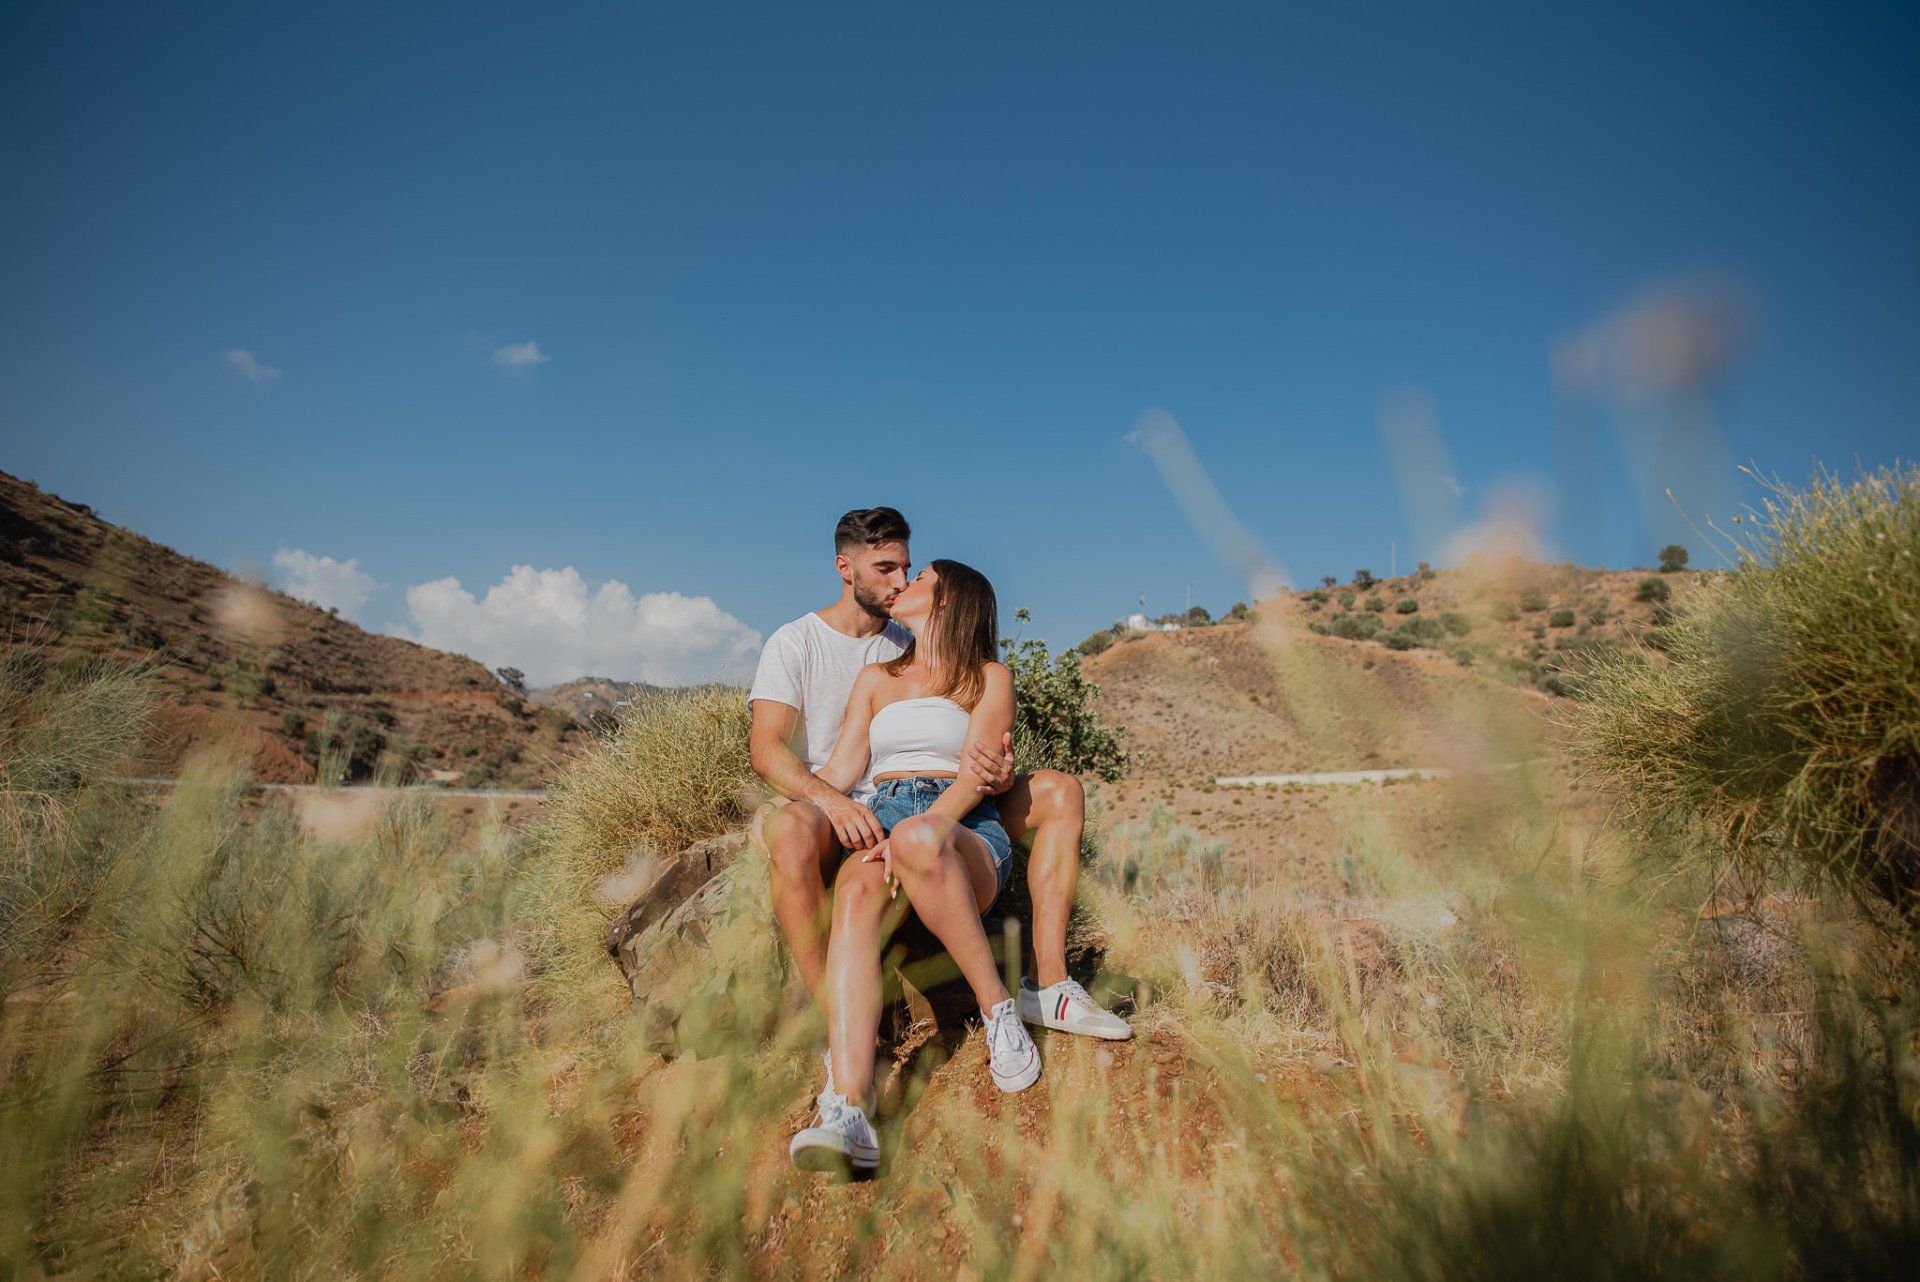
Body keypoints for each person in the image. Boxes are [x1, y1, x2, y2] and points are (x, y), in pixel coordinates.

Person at [788, 559, 1039, 1170]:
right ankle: (851, 1107)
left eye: (919, 577)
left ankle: (999, 1012)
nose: (902, 583)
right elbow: (843, 773)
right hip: (887, 809)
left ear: (949, 601)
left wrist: (919, 832)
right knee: (852, 898)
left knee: (920, 839)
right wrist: (809, 802)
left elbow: (979, 775)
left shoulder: (989, 678)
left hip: (962, 825)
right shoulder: (875, 678)